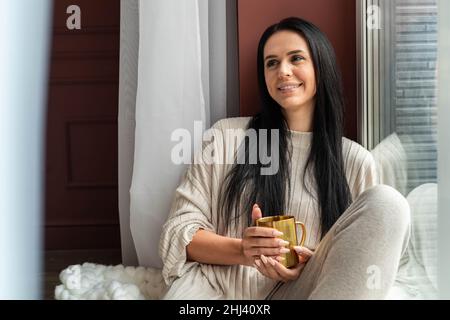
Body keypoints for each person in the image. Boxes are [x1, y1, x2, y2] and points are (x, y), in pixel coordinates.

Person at [158, 17, 410, 299]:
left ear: (320, 66)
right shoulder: (226, 137)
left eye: (296, 58)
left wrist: (309, 262)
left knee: (389, 203)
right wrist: (244, 250)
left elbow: (362, 260)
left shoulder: (354, 161)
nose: (283, 71)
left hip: (300, 293)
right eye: (272, 63)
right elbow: (178, 235)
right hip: (214, 292)